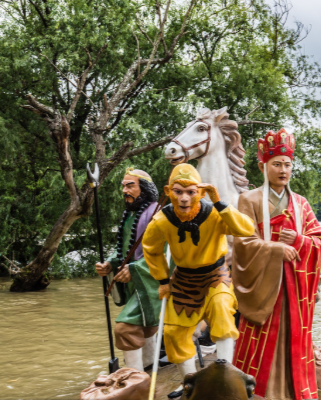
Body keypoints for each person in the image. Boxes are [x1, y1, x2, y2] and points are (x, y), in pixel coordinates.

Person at [142, 163, 255, 397]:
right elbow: (151, 249)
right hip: (183, 278)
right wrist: (163, 279)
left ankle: (225, 378)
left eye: (191, 192)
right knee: (174, 333)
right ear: (168, 191)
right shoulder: (162, 220)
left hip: (215, 275)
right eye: (178, 191)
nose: (184, 198)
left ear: (201, 192)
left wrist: (221, 203)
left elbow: (245, 229)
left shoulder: (214, 213)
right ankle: (190, 383)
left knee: (223, 311)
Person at [232, 129, 321, 400]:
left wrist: (298, 240)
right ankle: (257, 393)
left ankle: (291, 392)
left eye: (287, 164)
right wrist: (275, 249)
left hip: (295, 289)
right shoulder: (248, 200)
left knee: (293, 340)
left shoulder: (301, 203)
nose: (283, 170)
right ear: (264, 166)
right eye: (276, 164)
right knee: (259, 340)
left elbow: (318, 241)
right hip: (265, 287)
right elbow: (243, 243)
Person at [95, 167, 162, 372]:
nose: (125, 190)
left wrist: (135, 269)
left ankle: (133, 376)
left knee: (125, 328)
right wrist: (110, 263)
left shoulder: (158, 215)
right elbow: (125, 250)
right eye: (123, 186)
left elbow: (166, 253)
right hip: (135, 280)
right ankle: (149, 364)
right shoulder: (130, 216)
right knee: (145, 326)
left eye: (130, 185)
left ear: (144, 188)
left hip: (153, 280)